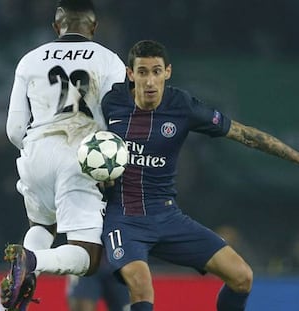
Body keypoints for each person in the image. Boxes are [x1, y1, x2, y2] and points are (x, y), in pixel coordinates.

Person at [100, 40, 299, 311]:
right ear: (130, 74)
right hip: (124, 219)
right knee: (142, 288)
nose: (149, 80)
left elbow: (244, 135)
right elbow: (86, 144)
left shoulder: (182, 105)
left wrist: (295, 156)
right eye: (143, 72)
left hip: (167, 217)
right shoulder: (111, 103)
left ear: (167, 72)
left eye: (156, 71)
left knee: (242, 277)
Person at [0, 0, 126, 310]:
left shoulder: (29, 61)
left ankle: (22, 278)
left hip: (36, 154)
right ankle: (32, 261)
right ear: (94, 27)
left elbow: (15, 128)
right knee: (89, 257)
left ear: (57, 27)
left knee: (42, 226)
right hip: (82, 156)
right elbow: (118, 120)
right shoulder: (110, 61)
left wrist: (36, 149)